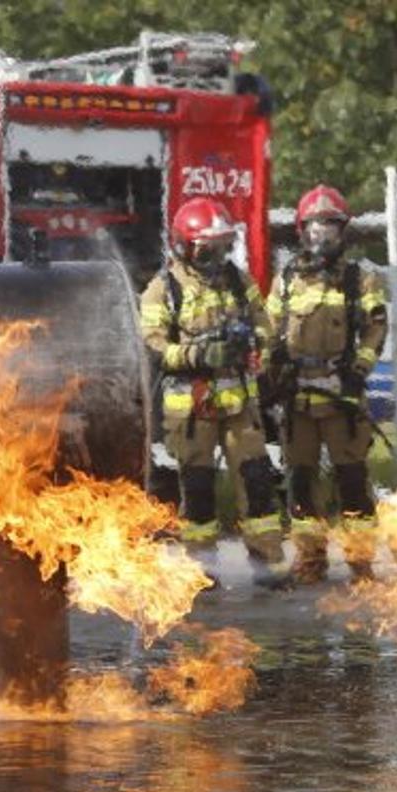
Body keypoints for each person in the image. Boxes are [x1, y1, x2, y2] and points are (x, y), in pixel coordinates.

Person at [139, 198, 287, 579]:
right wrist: (201, 354)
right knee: (198, 490)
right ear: (183, 247)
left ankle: (268, 563)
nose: (218, 256)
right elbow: (155, 347)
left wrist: (254, 345)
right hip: (191, 409)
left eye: (223, 246)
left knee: (257, 480)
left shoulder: (239, 280)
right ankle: (202, 571)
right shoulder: (164, 289)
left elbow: (265, 325)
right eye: (209, 249)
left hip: (240, 406)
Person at [263, 185, 388, 586]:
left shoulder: (359, 278)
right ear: (302, 231)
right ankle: (311, 560)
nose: (323, 236)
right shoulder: (286, 280)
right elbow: (268, 331)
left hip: (341, 396)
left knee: (352, 481)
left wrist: (358, 371)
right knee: (300, 481)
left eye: (330, 227)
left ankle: (360, 562)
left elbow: (376, 329)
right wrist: (272, 371)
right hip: (298, 398)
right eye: (315, 227)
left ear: (343, 231)